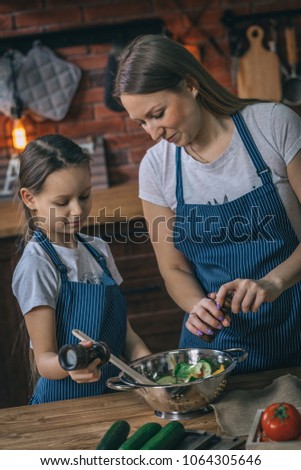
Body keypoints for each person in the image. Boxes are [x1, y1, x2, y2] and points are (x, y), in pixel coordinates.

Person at [113, 34, 301, 374]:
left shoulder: (272, 125)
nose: (153, 132)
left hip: (295, 325)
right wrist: (196, 306)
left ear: (190, 84)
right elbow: (175, 268)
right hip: (217, 350)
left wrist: (272, 283)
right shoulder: (157, 167)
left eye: (158, 114)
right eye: (141, 122)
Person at [12, 134, 150, 404]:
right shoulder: (37, 265)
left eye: (84, 196)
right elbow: (44, 361)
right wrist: (71, 364)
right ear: (30, 198)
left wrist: (151, 368)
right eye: (62, 202)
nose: (77, 210)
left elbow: (126, 334)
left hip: (113, 393)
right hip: (64, 403)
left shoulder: (97, 249)